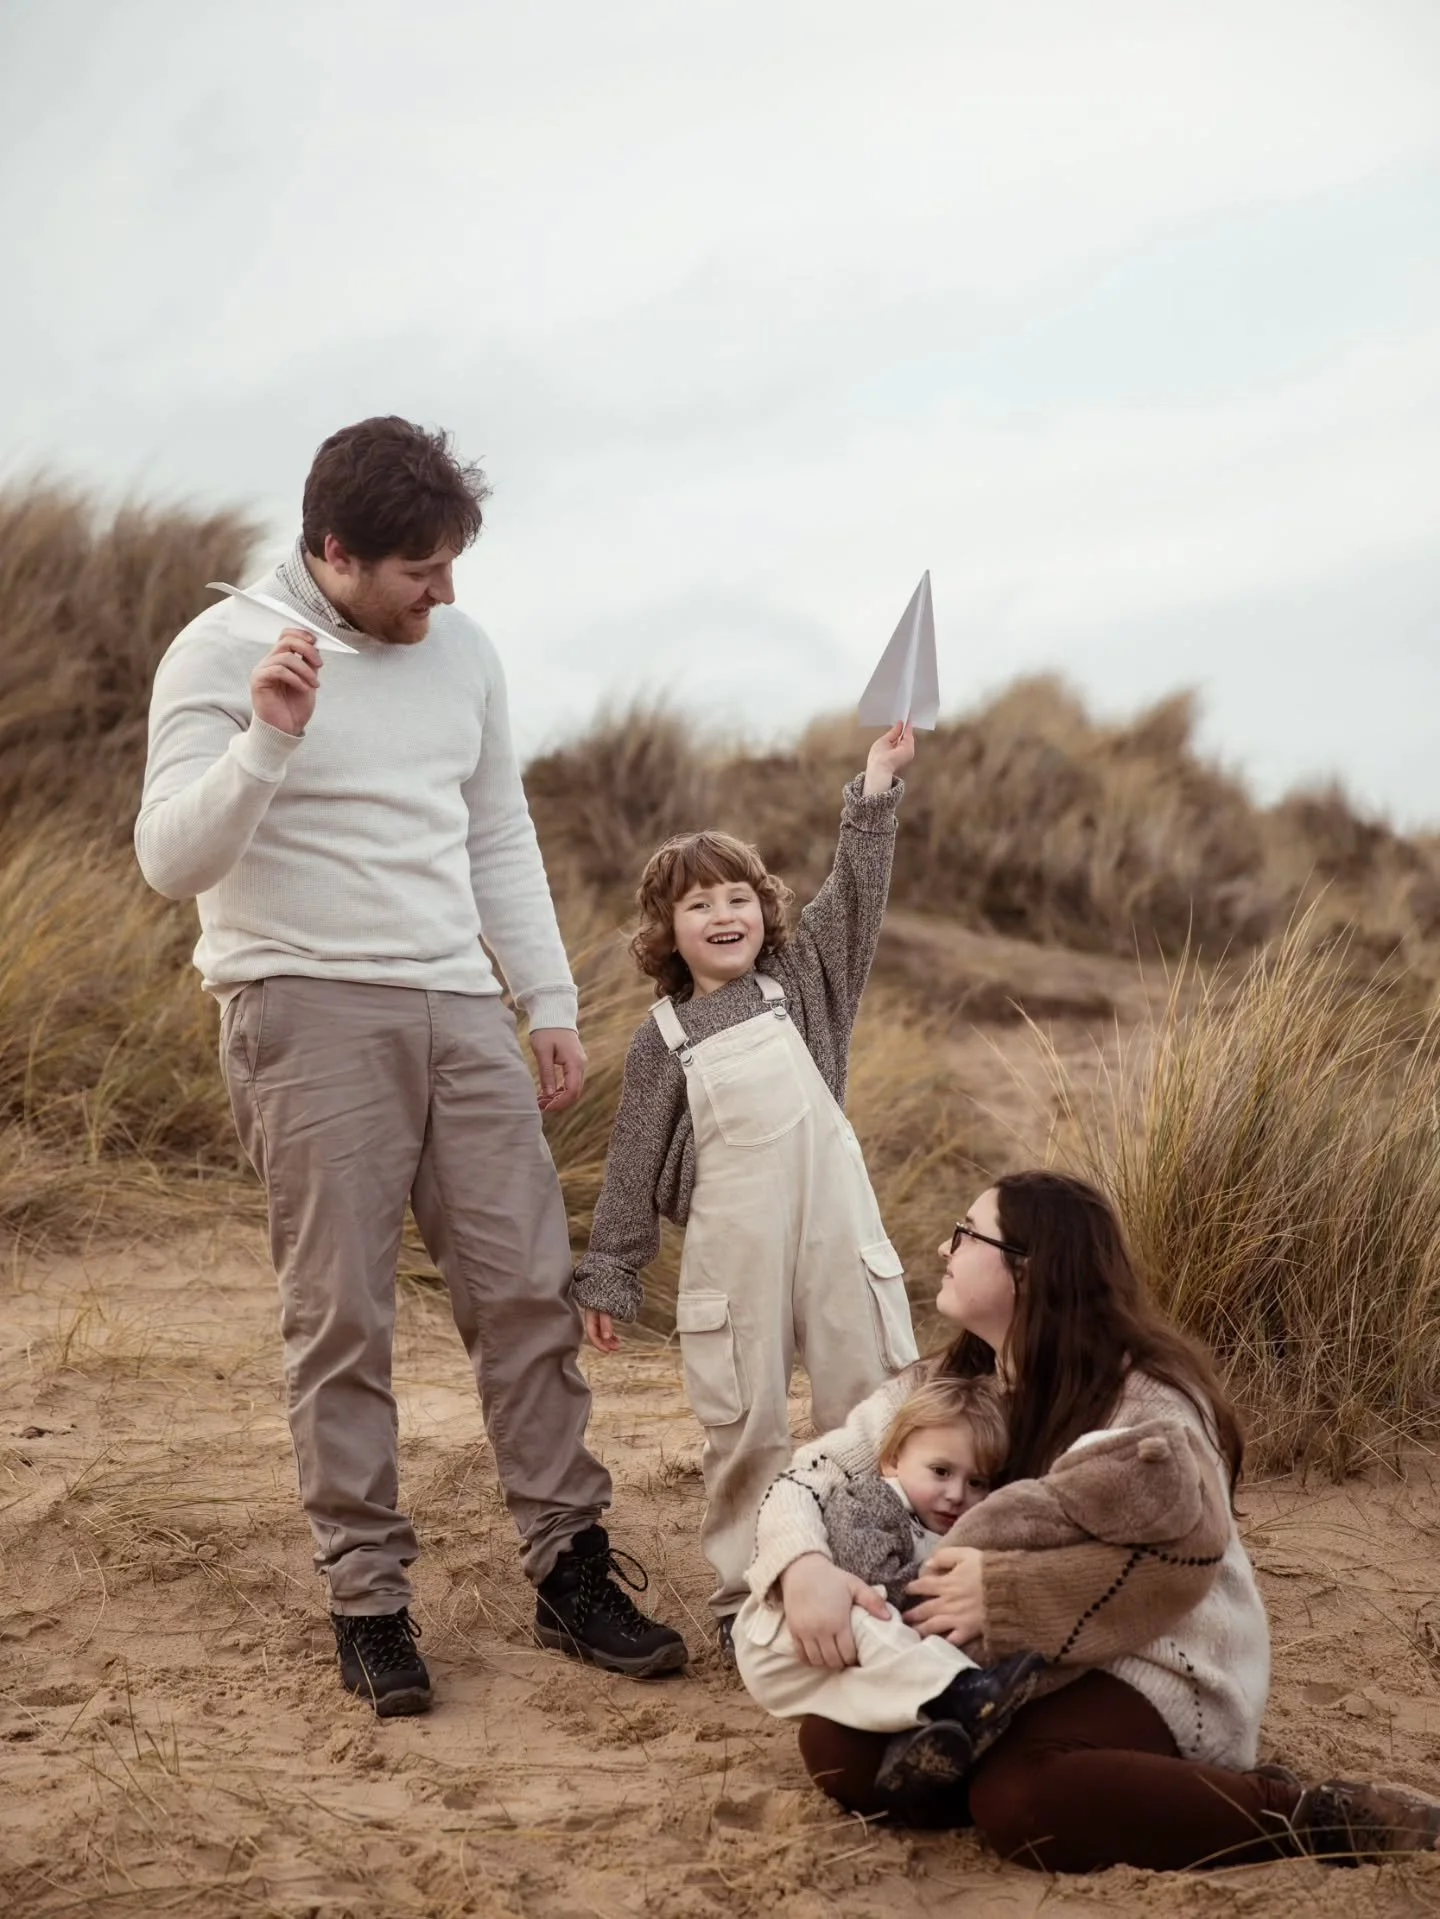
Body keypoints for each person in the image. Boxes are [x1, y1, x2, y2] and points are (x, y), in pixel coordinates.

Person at [135, 415, 687, 1716]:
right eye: (417, 572)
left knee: (526, 1293)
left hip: (460, 1005)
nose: (445, 595)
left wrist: (544, 997)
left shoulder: (467, 652)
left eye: (453, 564)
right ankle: (370, 1599)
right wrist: (266, 739)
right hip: (303, 1002)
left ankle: (572, 1567)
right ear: (334, 551)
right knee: (344, 1316)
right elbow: (169, 859)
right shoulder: (219, 652)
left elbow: (497, 825)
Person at [752, 1171, 1440, 1869]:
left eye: (966, 1232)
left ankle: (1307, 1814)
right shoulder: (949, 1383)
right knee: (838, 1751)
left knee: (1022, 1803)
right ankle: (1096, 1785)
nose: (943, 1246)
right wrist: (803, 1567)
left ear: (1030, 1268)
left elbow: (1182, 1564)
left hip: (1151, 1659)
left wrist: (1006, 1596)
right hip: (1000, 1667)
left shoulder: (1149, 1402)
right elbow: (809, 1475)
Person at [573, 728, 920, 1648]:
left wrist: (875, 792)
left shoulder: (804, 984)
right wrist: (610, 1270)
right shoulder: (664, 1037)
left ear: (765, 911)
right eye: (699, 904)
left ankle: (887, 1577)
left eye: (739, 897)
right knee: (748, 1426)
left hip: (837, 1233)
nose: (724, 915)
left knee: (869, 1399)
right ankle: (750, 1601)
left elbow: (854, 900)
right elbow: (633, 1161)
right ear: (667, 931)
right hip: (735, 1254)